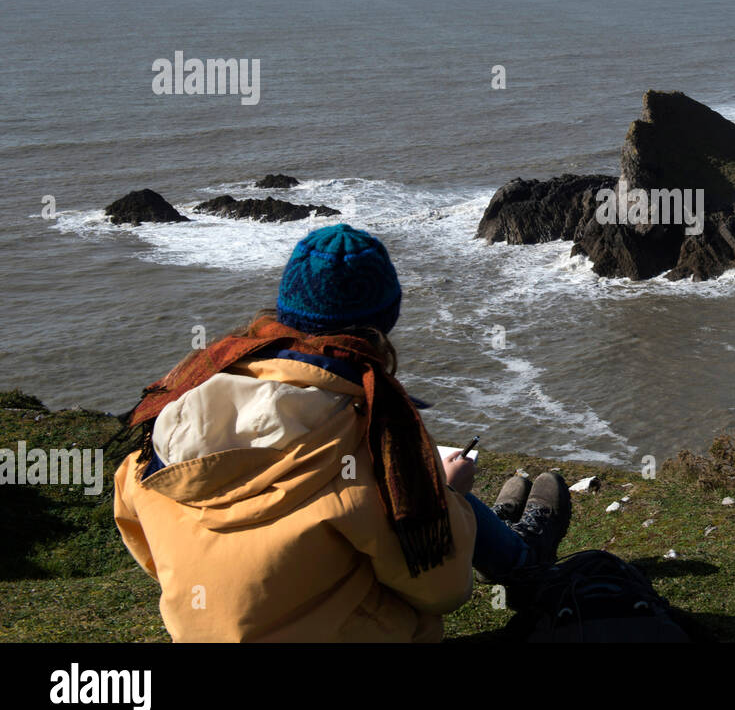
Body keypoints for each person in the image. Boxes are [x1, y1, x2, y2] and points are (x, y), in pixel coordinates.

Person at [113, 223, 571, 642]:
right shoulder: (371, 439)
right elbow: (444, 592)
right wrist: (444, 497)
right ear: (382, 326)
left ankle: (511, 546)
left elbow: (149, 544)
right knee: (426, 496)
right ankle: (519, 557)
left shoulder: (169, 414)